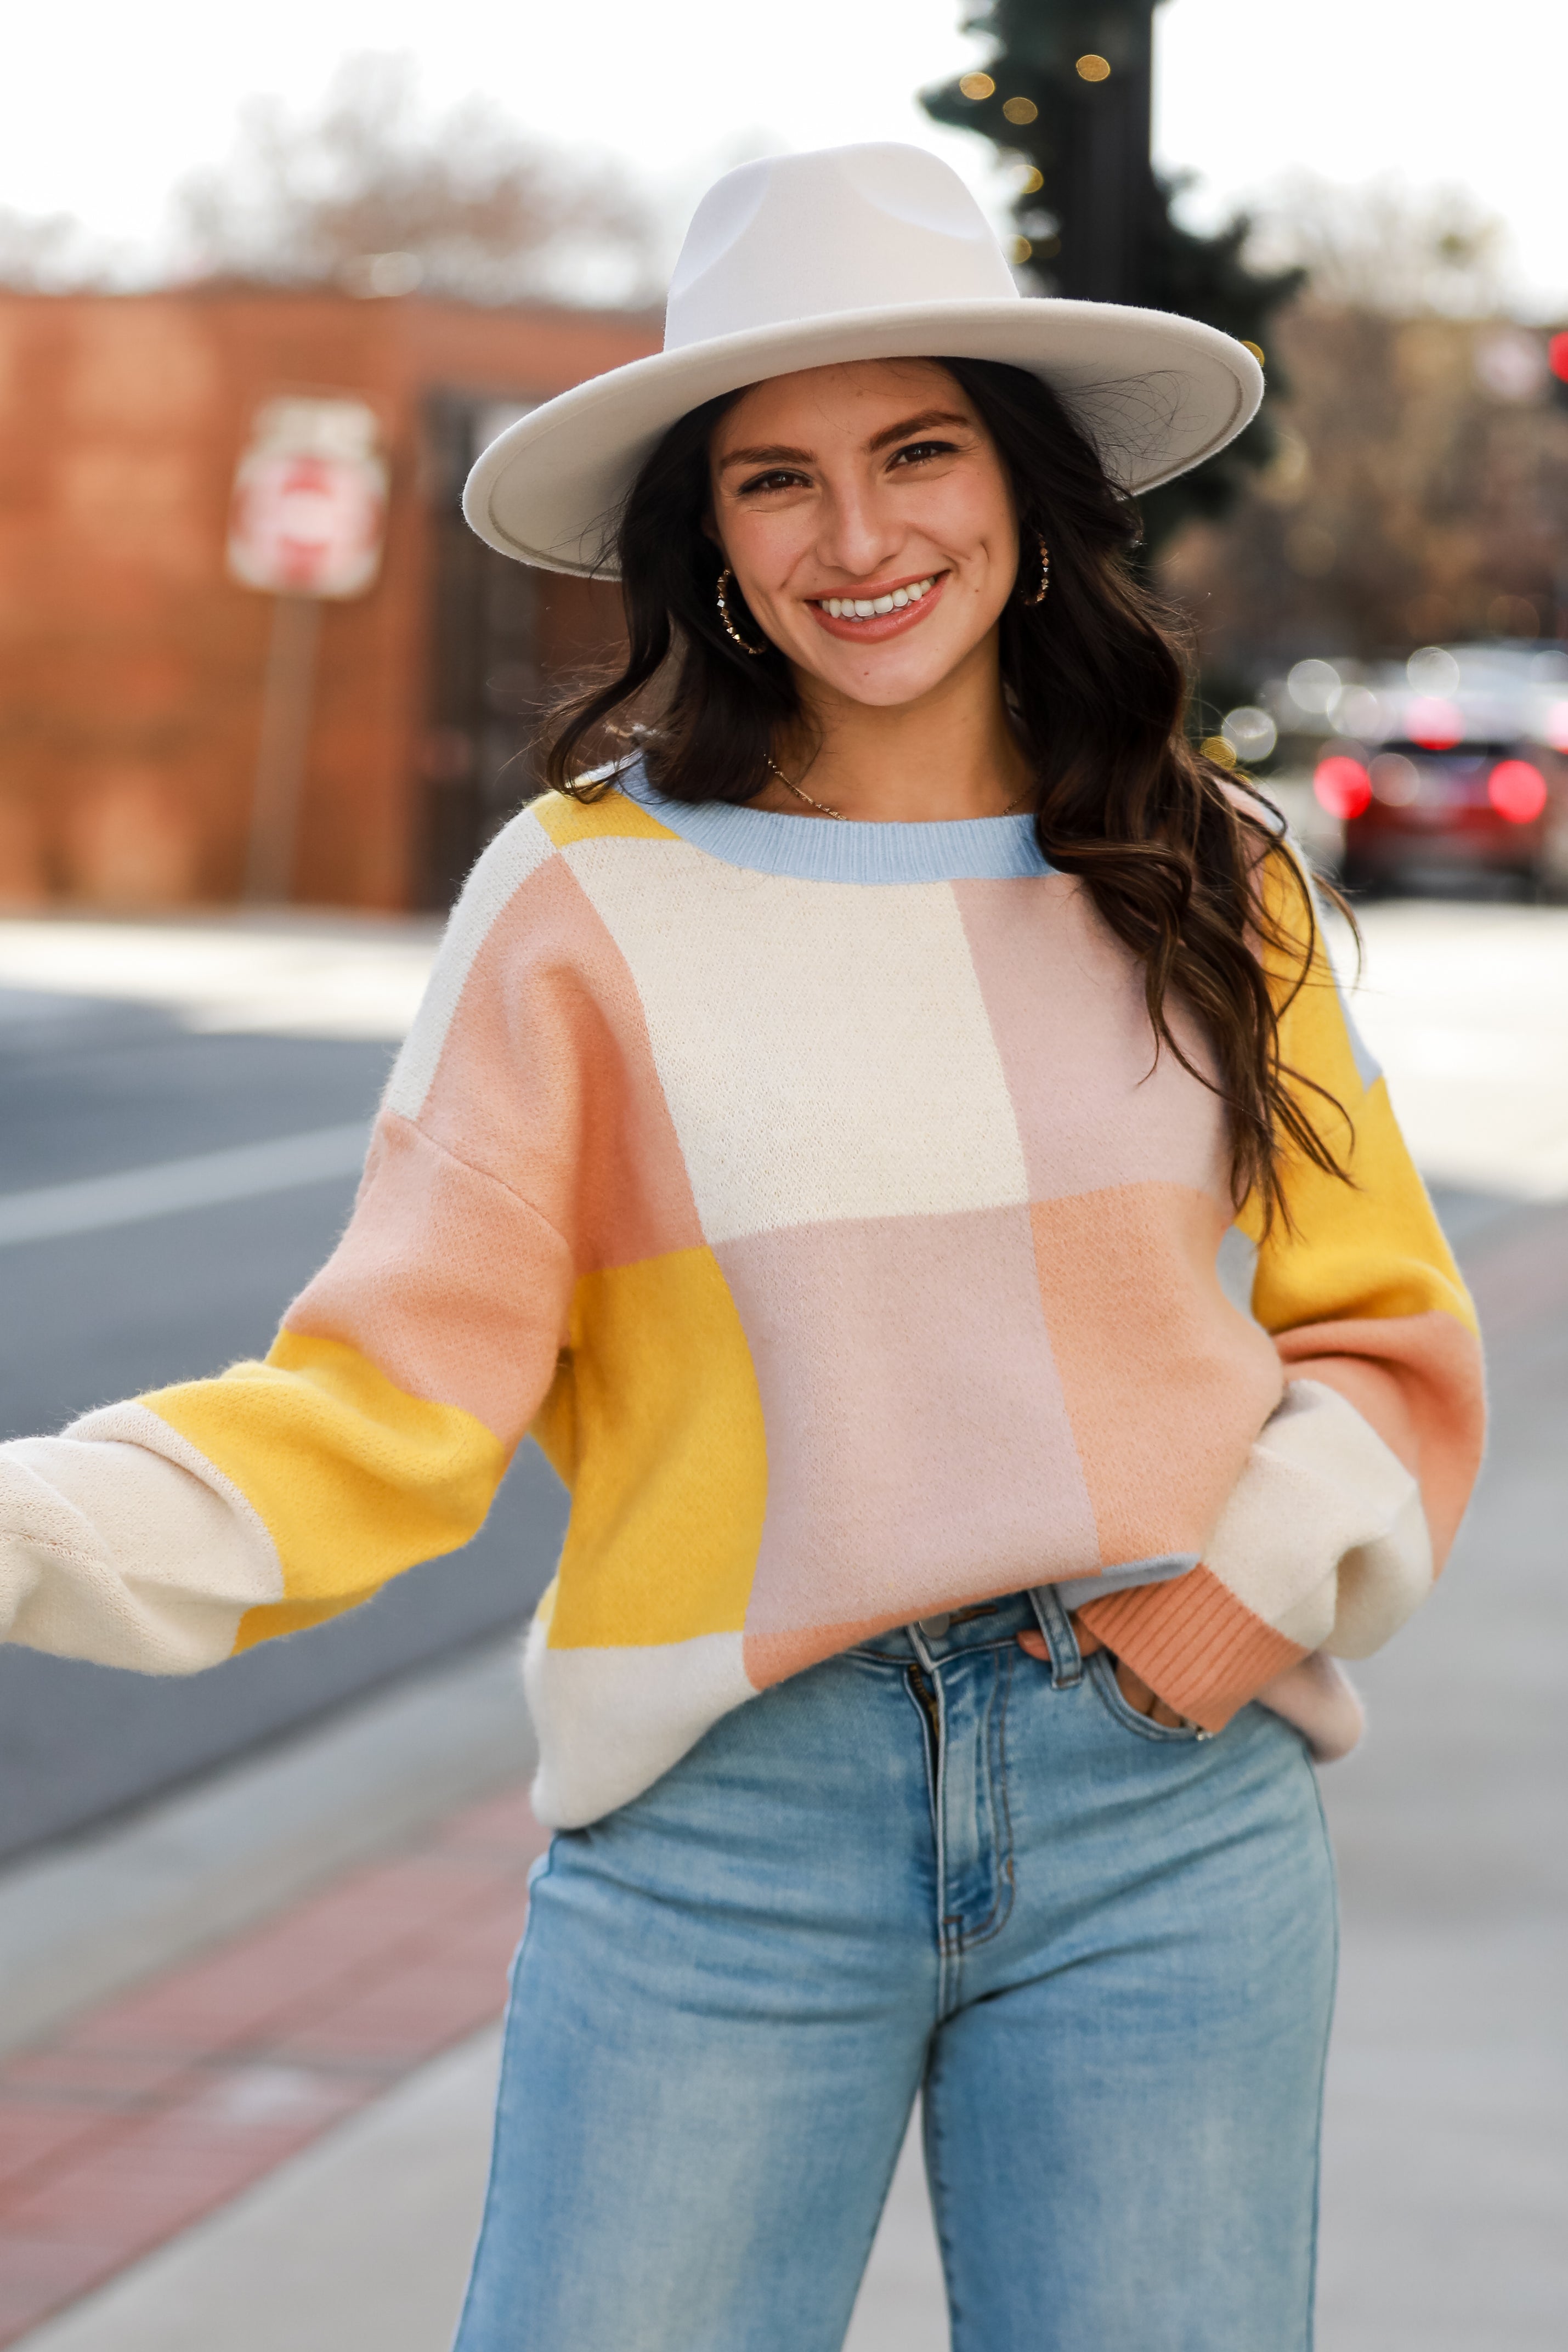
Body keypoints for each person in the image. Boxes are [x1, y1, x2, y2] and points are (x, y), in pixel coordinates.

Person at [0, 145, 1483, 2350]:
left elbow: (1378, 1341)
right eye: (777, 481)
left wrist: (1218, 1609)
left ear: (1027, 483)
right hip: (729, 1832)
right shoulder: (586, 898)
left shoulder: (1211, 867)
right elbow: (377, 1416)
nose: (860, 538)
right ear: (706, 536)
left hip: (1164, 1811)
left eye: (918, 451)